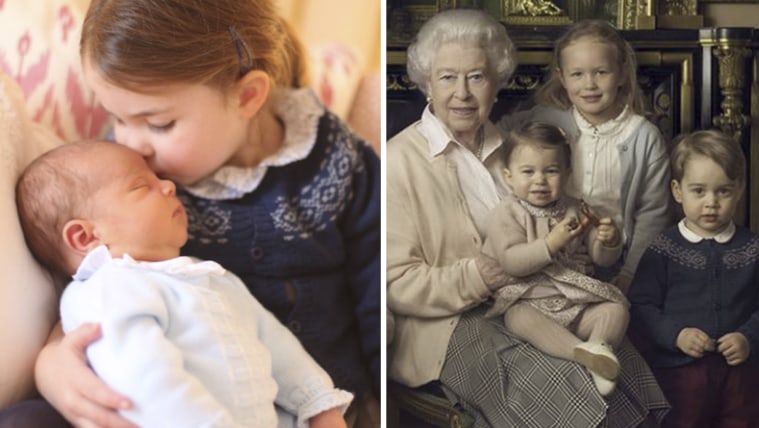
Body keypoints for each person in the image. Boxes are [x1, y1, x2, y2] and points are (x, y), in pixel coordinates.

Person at [24, 1, 381, 427]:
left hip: (325, 406)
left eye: (158, 123)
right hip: (186, 403)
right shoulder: (128, 175)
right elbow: (91, 278)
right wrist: (49, 363)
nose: (132, 143)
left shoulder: (341, 163)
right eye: (117, 118)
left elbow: (378, 298)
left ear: (247, 96)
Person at [387, 8, 668, 427]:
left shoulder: (518, 149)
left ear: (497, 82)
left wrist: (593, 243)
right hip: (449, 325)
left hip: (541, 296)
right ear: (427, 83)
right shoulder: (397, 162)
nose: (462, 93)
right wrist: (476, 277)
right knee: (565, 384)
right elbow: (396, 284)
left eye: (477, 77)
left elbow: (563, 231)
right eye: (448, 77)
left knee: (619, 364)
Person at [15, 141, 354, 427]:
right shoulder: (110, 287)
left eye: (158, 178)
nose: (168, 186)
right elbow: (146, 380)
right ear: (85, 235)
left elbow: (276, 345)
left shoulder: (211, 278)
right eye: (141, 186)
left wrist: (318, 403)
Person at [500, 19, 671, 292]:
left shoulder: (644, 137)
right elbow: (500, 133)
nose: (589, 84)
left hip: (614, 260)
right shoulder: (547, 119)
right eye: (577, 74)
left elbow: (652, 215)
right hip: (552, 254)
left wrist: (629, 274)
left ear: (622, 73)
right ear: (562, 77)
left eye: (601, 72)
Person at [482, 122, 629, 396]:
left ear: (567, 173)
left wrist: (608, 241)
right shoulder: (506, 214)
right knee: (517, 318)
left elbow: (601, 261)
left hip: (575, 301)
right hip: (530, 299)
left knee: (616, 310)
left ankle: (599, 345)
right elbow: (511, 261)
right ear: (509, 176)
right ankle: (583, 354)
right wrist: (550, 244)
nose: (540, 180)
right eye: (528, 172)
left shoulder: (577, 208)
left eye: (551, 171)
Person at [628, 130, 759, 427]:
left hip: (740, 374)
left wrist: (748, 337)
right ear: (678, 191)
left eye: (723, 191)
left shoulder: (752, 248)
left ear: (739, 189)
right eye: (698, 191)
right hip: (679, 373)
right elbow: (640, 306)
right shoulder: (664, 248)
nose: (711, 202)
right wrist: (676, 335)